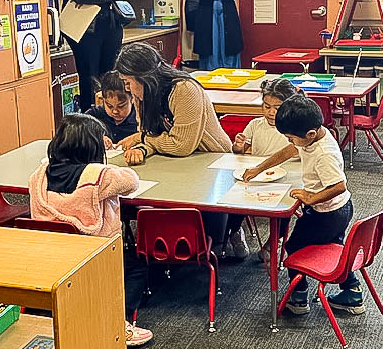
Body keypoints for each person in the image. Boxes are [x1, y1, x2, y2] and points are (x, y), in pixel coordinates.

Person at [28, 114, 153, 346]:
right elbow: (131, 181)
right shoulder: (98, 175)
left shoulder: (39, 176)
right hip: (92, 255)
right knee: (137, 268)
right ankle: (119, 320)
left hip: (50, 253)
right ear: (92, 148)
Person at [244, 95, 363, 315]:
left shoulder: (324, 153)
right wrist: (258, 168)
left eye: (290, 138)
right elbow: (288, 152)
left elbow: (339, 186)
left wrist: (310, 197)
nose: (290, 142)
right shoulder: (313, 136)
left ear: (308, 134)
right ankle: (353, 292)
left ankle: (298, 299)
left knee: (294, 247)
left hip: (327, 212)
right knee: (333, 247)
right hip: (338, 208)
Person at [115, 41, 232, 249]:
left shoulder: (184, 89)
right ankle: (162, 250)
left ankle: (228, 232)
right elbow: (149, 134)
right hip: (174, 163)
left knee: (194, 209)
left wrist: (143, 141)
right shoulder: (142, 95)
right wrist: (142, 147)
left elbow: (182, 146)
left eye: (128, 81)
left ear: (143, 77)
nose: (126, 88)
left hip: (211, 159)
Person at [228, 79, 302, 260]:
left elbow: (295, 152)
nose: (271, 112)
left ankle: (273, 243)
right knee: (235, 199)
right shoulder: (256, 124)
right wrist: (238, 146)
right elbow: (240, 152)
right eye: (267, 106)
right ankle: (235, 233)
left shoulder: (295, 127)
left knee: (284, 209)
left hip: (287, 179)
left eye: (277, 107)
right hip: (259, 178)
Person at [86, 70, 137, 147]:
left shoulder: (140, 119)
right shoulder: (96, 115)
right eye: (109, 106)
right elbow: (78, 127)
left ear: (133, 99)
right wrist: (96, 137)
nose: (115, 111)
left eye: (121, 106)